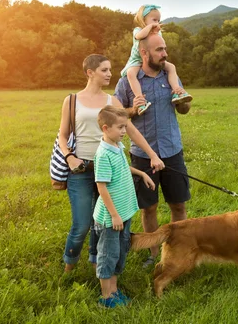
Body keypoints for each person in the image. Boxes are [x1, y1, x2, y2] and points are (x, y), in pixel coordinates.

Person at [58, 53, 164, 273]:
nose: (110, 74)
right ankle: (68, 268)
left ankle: (98, 264)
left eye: (110, 70)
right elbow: (62, 135)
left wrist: (152, 154)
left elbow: (131, 131)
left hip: (108, 169)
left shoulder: (111, 101)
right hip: (80, 170)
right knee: (81, 224)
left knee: (104, 222)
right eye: (104, 70)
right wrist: (70, 157)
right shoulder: (72, 100)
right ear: (90, 72)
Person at [114, 32, 192, 268]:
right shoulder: (127, 81)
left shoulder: (170, 76)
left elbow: (184, 110)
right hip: (142, 155)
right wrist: (132, 110)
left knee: (178, 204)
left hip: (172, 151)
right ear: (144, 53)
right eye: (159, 50)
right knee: (149, 208)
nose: (164, 53)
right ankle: (153, 253)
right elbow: (118, 114)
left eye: (165, 49)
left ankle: (178, 251)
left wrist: (184, 101)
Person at [93, 105, 156, 307]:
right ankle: (106, 297)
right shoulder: (103, 154)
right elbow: (101, 187)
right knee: (108, 255)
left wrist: (142, 173)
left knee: (119, 252)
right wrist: (114, 215)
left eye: (125, 126)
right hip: (111, 218)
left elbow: (122, 167)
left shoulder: (117, 146)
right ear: (105, 128)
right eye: (120, 127)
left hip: (123, 212)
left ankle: (114, 290)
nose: (124, 131)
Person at [120, 4, 192, 115]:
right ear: (143, 19)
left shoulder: (158, 33)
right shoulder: (138, 30)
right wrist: (150, 28)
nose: (157, 23)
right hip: (136, 60)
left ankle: (177, 91)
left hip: (169, 132)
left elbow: (185, 110)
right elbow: (140, 36)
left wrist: (182, 103)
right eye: (154, 20)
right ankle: (140, 100)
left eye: (158, 20)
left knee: (172, 67)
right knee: (130, 74)